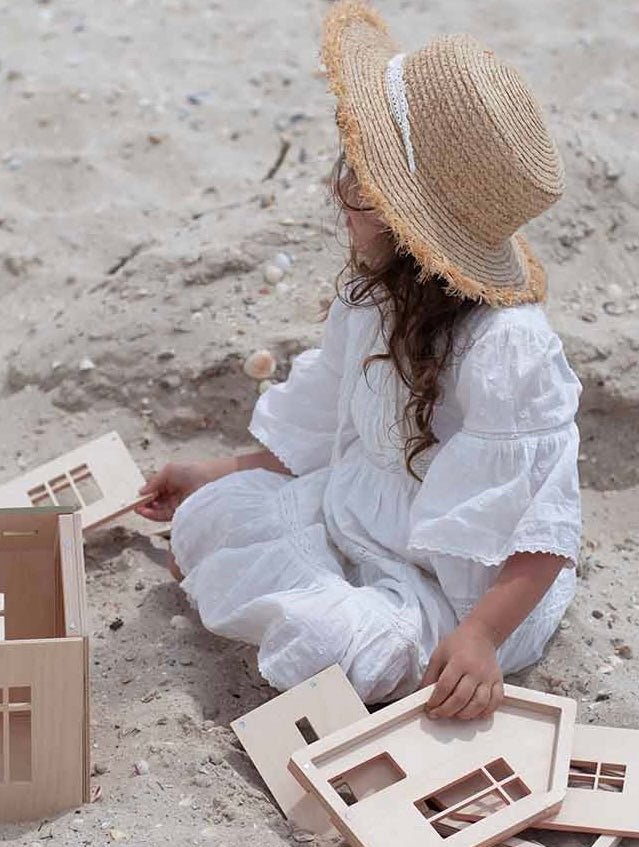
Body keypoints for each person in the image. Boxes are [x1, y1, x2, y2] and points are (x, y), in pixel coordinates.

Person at [135, 1, 582, 719]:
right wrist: (216, 473)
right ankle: (311, 581)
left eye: (364, 176)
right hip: (354, 516)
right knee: (208, 514)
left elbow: (542, 526)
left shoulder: (507, 347)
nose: (339, 186)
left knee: (332, 650)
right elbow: (320, 420)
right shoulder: (372, 291)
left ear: (410, 219)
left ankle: (357, 615)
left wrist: (478, 636)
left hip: (464, 591)